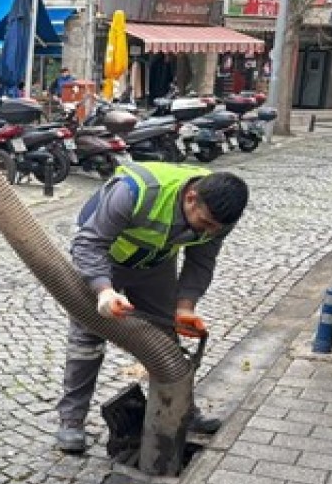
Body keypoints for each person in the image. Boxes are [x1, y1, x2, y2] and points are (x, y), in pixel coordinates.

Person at [55, 163, 249, 454]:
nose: (208, 231)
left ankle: (181, 411)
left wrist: (184, 308)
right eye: (205, 222)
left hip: (154, 264)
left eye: (215, 228)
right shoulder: (135, 192)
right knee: (88, 340)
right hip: (105, 260)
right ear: (191, 198)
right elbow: (88, 244)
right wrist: (104, 292)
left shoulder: (220, 218)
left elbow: (201, 262)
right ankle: (71, 421)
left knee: (165, 342)